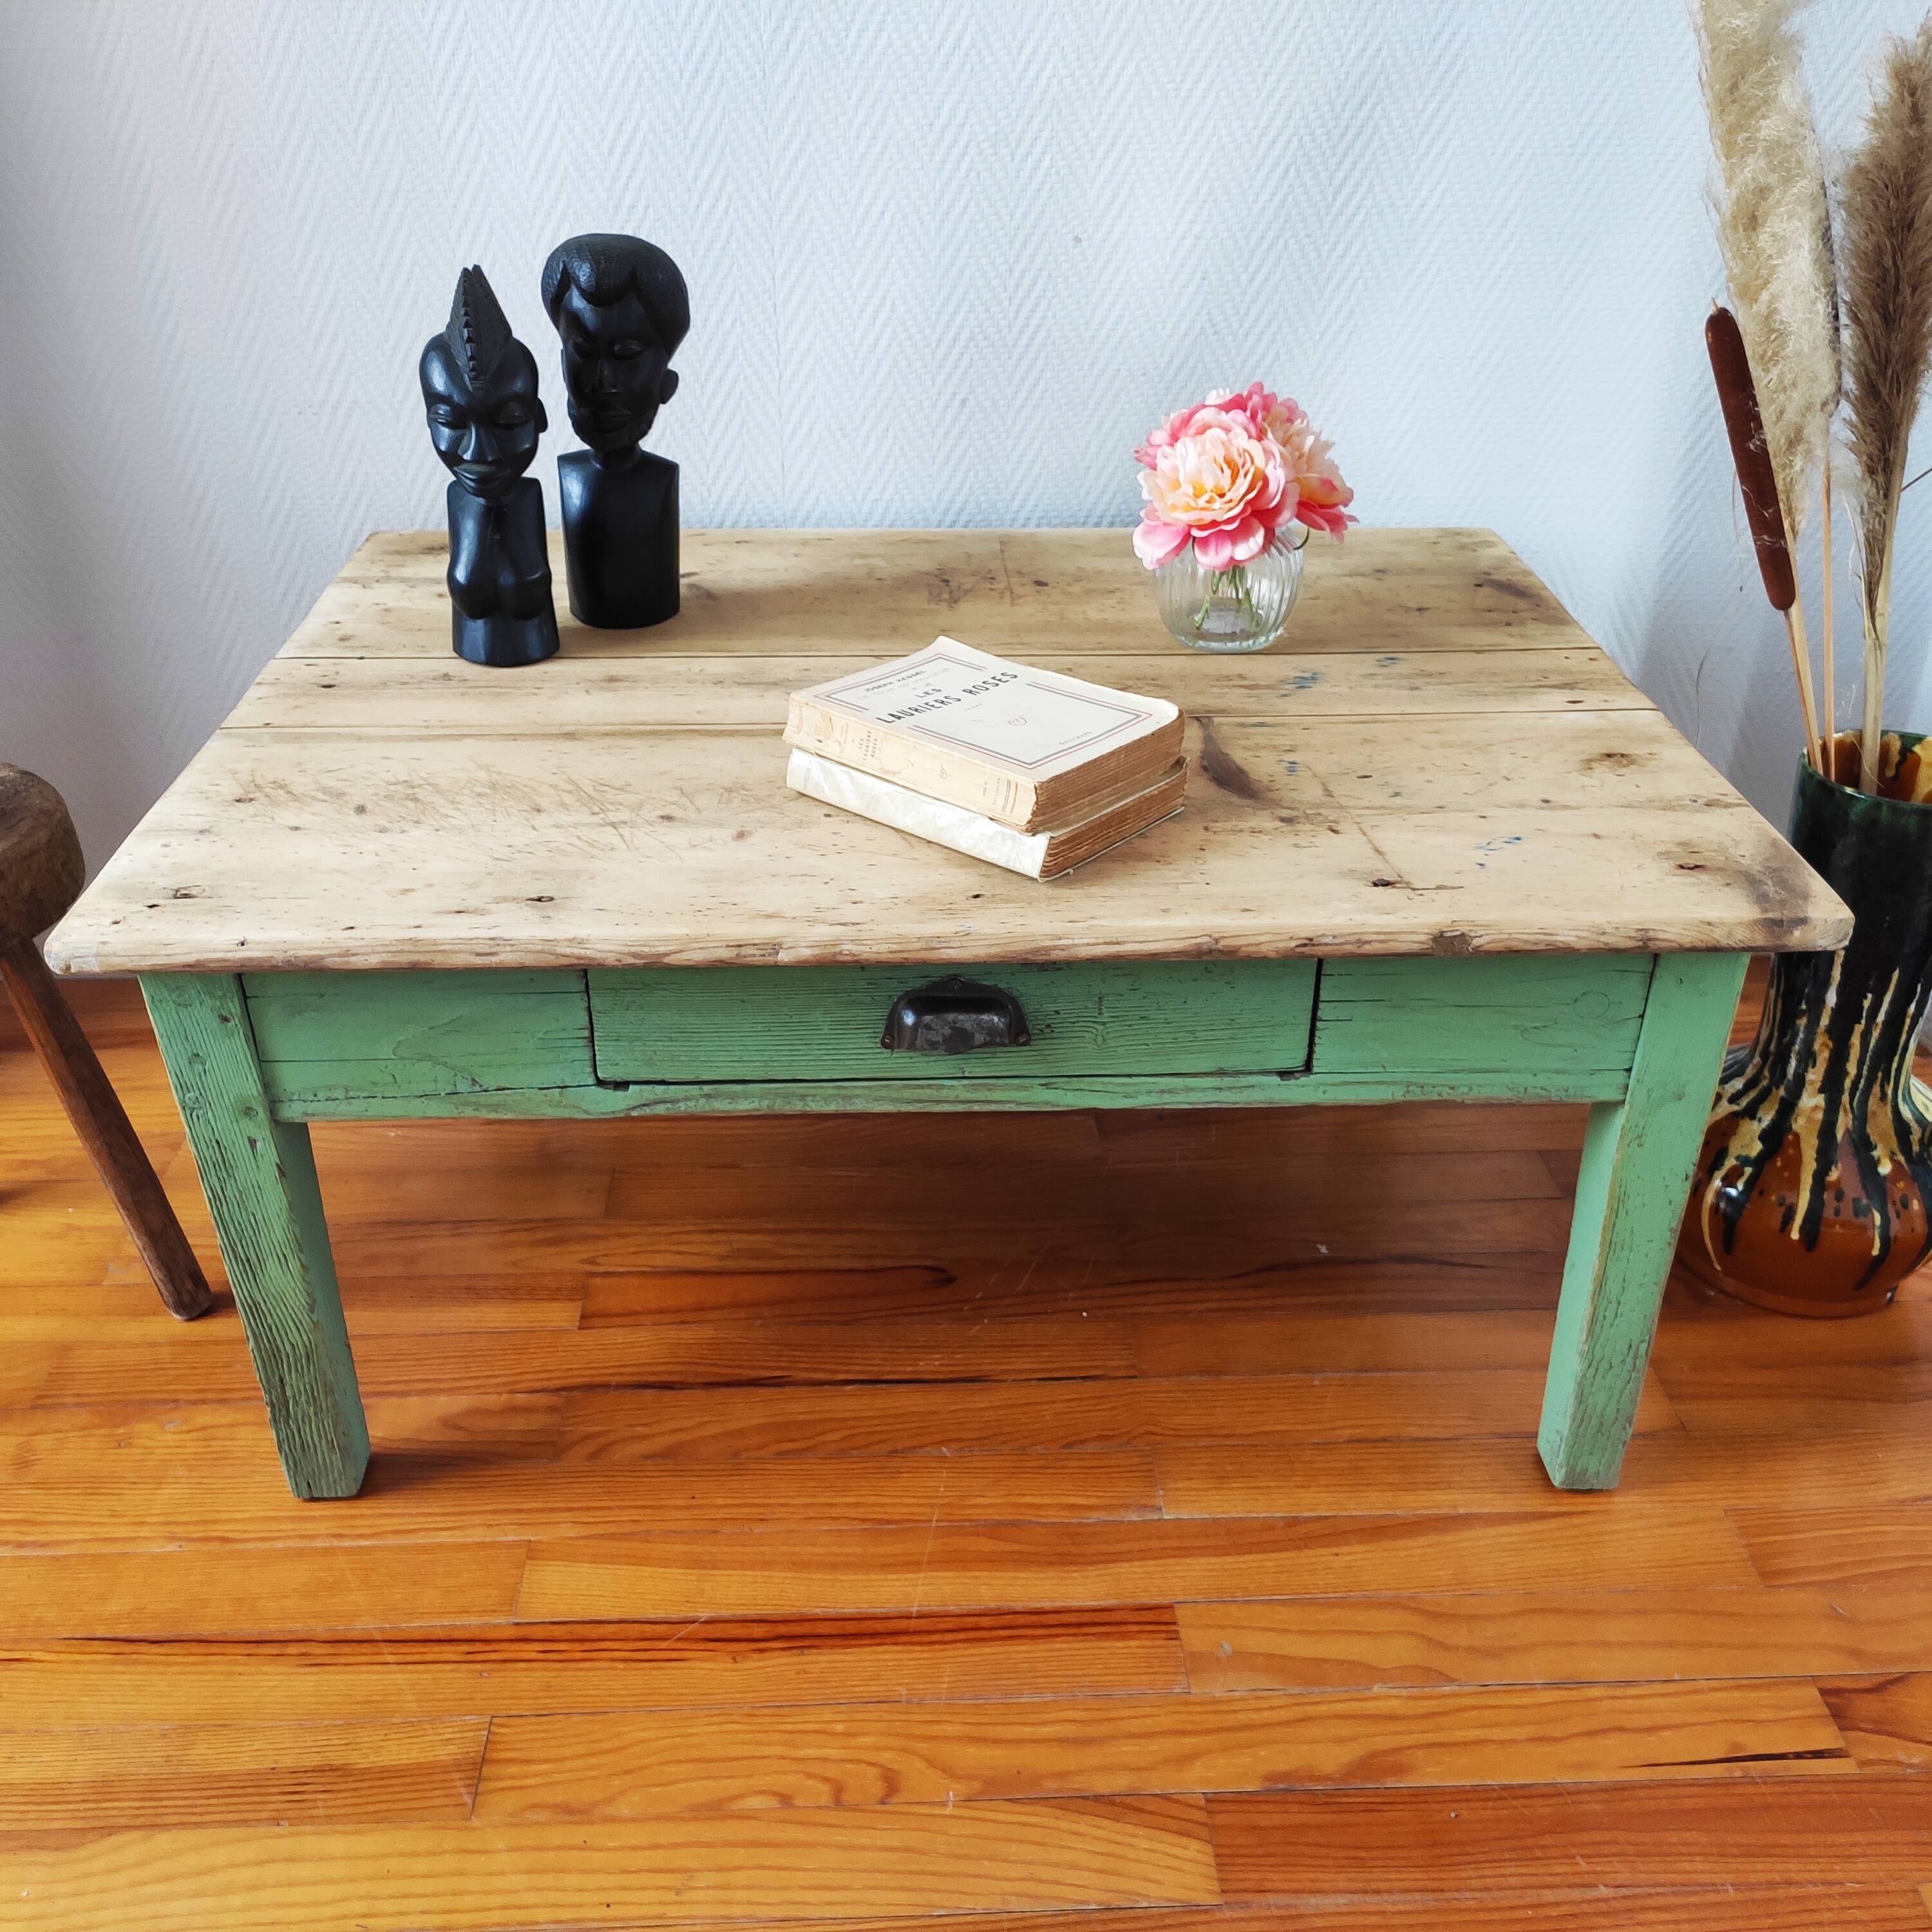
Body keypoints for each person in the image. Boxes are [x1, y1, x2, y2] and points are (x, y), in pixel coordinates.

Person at [540, 232, 690, 628]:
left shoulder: (661, 478)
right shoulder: (569, 475)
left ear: (666, 379)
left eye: (626, 354)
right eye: (583, 351)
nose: (601, 382)